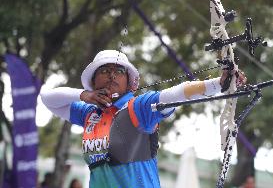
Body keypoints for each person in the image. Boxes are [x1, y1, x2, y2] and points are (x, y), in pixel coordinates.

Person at [40, 50, 246, 188]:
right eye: (105, 70)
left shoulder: (136, 107)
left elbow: (174, 94)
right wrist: (84, 95)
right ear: (93, 81)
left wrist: (218, 84)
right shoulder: (89, 114)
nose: (112, 75)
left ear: (129, 82)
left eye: (119, 71)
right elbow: (47, 98)